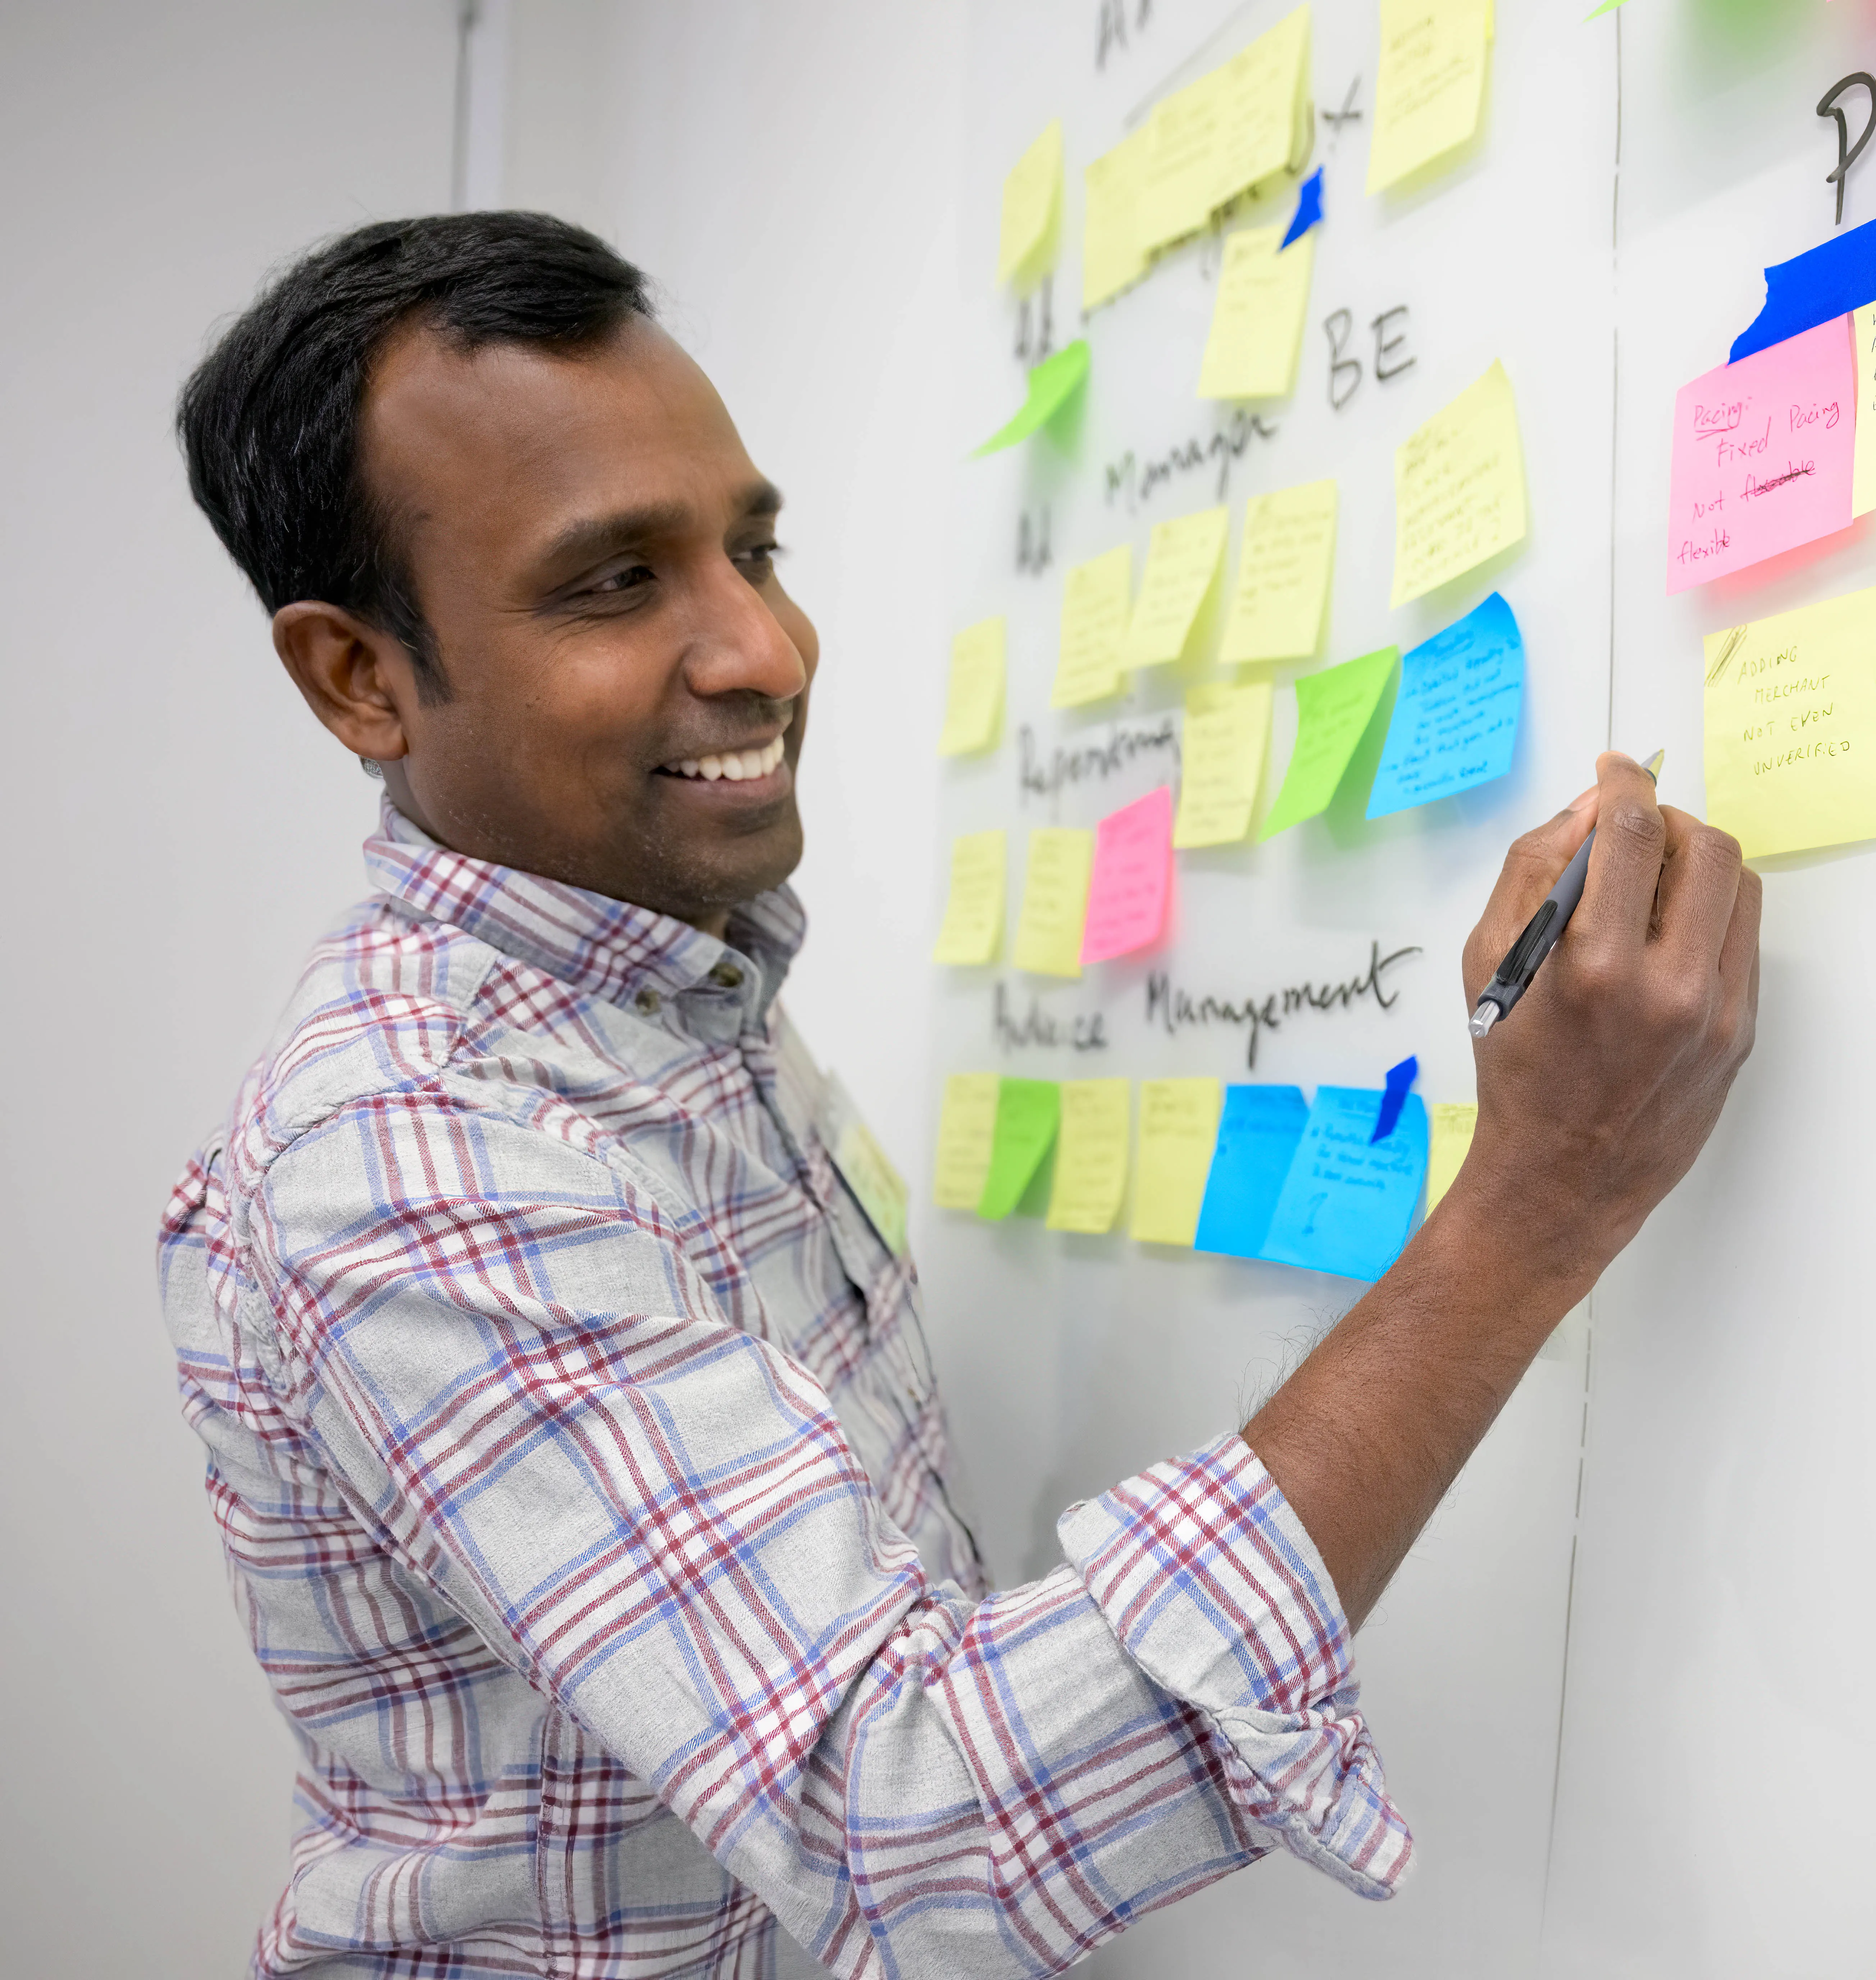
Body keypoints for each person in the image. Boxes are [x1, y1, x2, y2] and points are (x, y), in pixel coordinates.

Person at [159, 211, 1759, 1979]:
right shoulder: (411, 1150)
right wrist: (1536, 1200)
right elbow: (914, 1815)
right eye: (615, 582)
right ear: (358, 676)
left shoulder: (671, 980)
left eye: (753, 546)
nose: (762, 646)